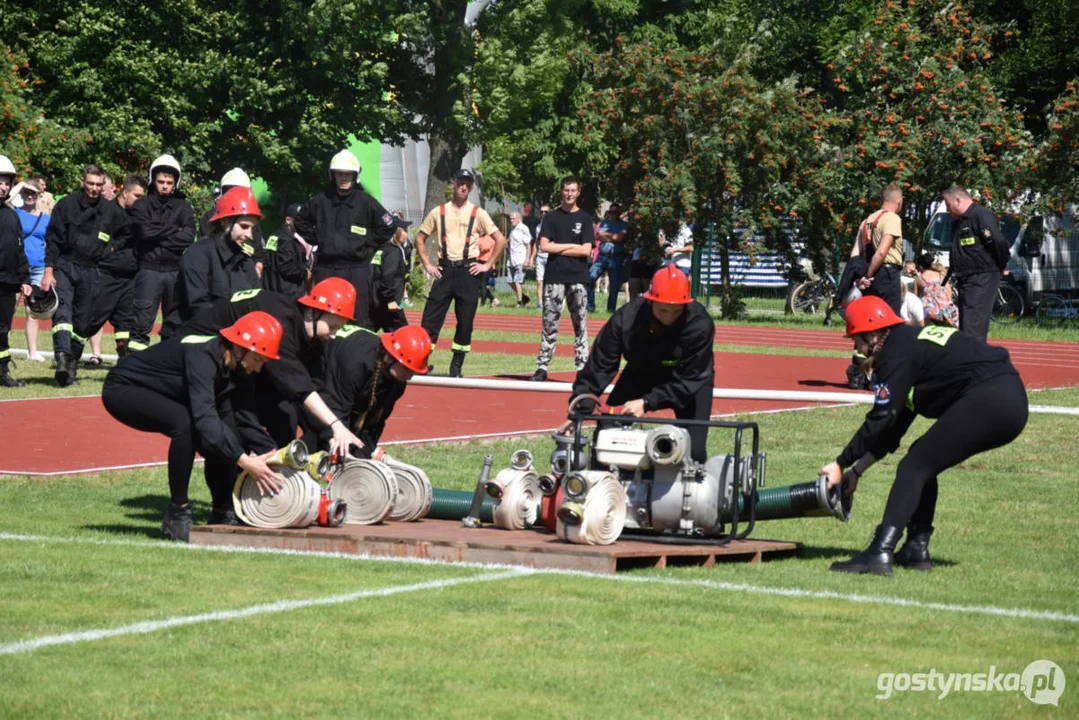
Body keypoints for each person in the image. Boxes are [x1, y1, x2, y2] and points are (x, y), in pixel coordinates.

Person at [820, 296, 1028, 575]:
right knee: (922, 460)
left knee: (914, 465)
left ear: (871, 333)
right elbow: (895, 426)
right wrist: (857, 471)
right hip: (1007, 398)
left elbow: (882, 417)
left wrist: (840, 462)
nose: (856, 348)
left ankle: (880, 552)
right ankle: (916, 549)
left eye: (855, 340)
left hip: (991, 396)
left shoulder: (895, 352)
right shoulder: (908, 344)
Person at [102, 311, 285, 541]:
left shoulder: (239, 368)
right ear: (239, 347)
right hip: (123, 388)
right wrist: (245, 461)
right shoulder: (203, 357)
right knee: (185, 424)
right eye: (257, 359)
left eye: (263, 362)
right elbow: (205, 419)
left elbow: (245, 421)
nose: (258, 368)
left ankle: (223, 511)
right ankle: (177, 514)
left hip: (167, 393)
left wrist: (276, 457)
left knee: (228, 436)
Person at [181, 278, 367, 454]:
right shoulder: (280, 326)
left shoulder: (306, 329)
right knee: (238, 426)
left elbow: (310, 385)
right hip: (202, 353)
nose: (334, 335)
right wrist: (336, 426)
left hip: (244, 361)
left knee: (285, 416)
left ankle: (278, 475)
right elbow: (299, 388)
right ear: (313, 312)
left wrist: (331, 434)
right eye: (332, 327)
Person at [561, 265, 716, 462]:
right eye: (662, 310)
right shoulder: (626, 318)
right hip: (641, 371)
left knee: (694, 452)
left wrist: (647, 402)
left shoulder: (700, 324)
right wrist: (577, 413)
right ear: (650, 300)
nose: (668, 318)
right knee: (606, 433)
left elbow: (691, 378)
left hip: (689, 380)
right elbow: (599, 366)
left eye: (676, 311)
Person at [41, 164, 132, 386]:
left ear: (104, 186)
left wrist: (110, 248)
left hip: (92, 269)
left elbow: (127, 233)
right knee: (63, 313)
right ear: (83, 182)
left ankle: (71, 363)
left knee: (83, 322)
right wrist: (48, 271)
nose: (93, 188)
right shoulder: (66, 205)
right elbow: (52, 240)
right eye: (90, 183)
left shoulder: (111, 211)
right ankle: (62, 358)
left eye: (98, 185)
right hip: (65, 264)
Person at [414, 168, 505, 377]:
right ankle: (421, 362)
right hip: (445, 271)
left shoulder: (478, 213)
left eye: (467, 183)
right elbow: (420, 238)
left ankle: (456, 367)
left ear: (471, 187)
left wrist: (487, 264)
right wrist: (428, 264)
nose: (464, 186)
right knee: (430, 320)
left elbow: (500, 239)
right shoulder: (439, 212)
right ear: (453, 184)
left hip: (468, 272)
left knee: (465, 322)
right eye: (460, 182)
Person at [293, 149, 396, 328]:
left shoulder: (366, 202)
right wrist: (318, 239)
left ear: (355, 176)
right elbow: (300, 220)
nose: (343, 178)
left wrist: (368, 244)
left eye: (348, 174)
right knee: (324, 315)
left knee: (358, 318)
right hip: (325, 268)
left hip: (356, 269)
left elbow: (388, 225)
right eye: (340, 174)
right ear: (333, 175)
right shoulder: (320, 200)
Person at [300, 324, 433, 457]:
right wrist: (341, 456)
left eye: (414, 371)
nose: (410, 376)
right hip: (310, 372)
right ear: (390, 357)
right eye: (407, 369)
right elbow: (335, 411)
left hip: (341, 383)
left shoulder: (396, 383)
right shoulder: (356, 365)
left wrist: (361, 461)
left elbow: (373, 426)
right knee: (321, 438)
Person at [129, 154, 196, 351]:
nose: (165, 186)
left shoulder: (183, 207)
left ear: (175, 182)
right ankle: (135, 367)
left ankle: (165, 369)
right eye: (161, 182)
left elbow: (189, 236)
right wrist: (174, 230)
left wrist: (157, 233)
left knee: (173, 324)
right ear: (153, 180)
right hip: (148, 271)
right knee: (141, 323)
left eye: (169, 182)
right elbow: (143, 232)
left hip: (175, 272)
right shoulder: (142, 204)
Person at [532, 176, 594, 382]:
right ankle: (542, 366)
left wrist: (561, 247)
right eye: (566, 190)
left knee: (580, 323)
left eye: (573, 190)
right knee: (550, 322)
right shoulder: (551, 217)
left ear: (578, 192)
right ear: (561, 191)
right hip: (554, 277)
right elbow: (544, 246)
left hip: (578, 278)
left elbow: (587, 250)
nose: (569, 194)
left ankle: (582, 366)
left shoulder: (585, 218)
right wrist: (573, 247)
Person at [174, 187, 262, 329]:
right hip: (198, 338)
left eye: (252, 228)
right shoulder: (198, 255)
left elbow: (257, 301)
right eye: (244, 226)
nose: (250, 235)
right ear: (225, 221)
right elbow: (198, 310)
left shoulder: (245, 260)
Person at [86, 174, 148, 362]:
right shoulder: (107, 211)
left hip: (130, 276)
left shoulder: (136, 214)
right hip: (107, 274)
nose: (140, 201)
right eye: (137, 196)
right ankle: (69, 358)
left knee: (126, 320)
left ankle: (125, 358)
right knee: (94, 318)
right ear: (125, 192)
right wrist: (111, 251)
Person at [941, 184, 1012, 340]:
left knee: (973, 327)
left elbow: (998, 243)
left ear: (958, 200)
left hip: (982, 278)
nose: (947, 209)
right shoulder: (959, 222)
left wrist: (1001, 265)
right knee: (966, 325)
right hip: (966, 279)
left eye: (948, 205)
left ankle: (975, 361)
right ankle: (971, 360)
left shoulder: (981, 216)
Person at [0, 155, 33, 387]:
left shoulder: (12, 215)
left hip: (7, 282)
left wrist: (25, 278)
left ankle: (1, 373)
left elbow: (19, 249)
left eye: (6, 183)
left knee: (3, 330)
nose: (3, 187)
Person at [10, 179, 50, 362]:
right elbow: (6, 200)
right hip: (18, 266)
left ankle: (32, 352)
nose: (29, 196)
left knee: (33, 310)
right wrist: (22, 185)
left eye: (33, 193)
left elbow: (50, 243)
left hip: (39, 266)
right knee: (9, 308)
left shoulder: (46, 218)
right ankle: (4, 345)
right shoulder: (15, 213)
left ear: (39, 196)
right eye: (27, 193)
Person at [854, 183, 905, 314]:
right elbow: (882, 251)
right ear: (899, 200)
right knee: (890, 317)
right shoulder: (892, 218)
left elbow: (855, 253)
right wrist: (868, 275)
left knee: (871, 316)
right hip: (886, 274)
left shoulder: (866, 221)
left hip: (868, 275)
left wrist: (861, 277)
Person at [257, 202, 311, 301]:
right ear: (288, 220)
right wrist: (304, 273)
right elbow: (287, 267)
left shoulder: (275, 235)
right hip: (287, 297)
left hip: (272, 292)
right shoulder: (287, 240)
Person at [197, 168, 262, 248]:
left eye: (240, 191)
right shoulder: (210, 217)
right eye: (230, 190)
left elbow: (260, 252)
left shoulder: (250, 220)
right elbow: (203, 246)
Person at [370, 216, 412, 332]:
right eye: (404, 230)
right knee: (403, 335)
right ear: (395, 232)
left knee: (366, 331)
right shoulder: (393, 252)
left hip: (375, 302)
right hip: (387, 305)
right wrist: (390, 300)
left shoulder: (380, 249)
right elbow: (387, 276)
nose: (406, 235)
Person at [587, 203, 628, 313]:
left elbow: (620, 238)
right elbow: (598, 235)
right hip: (601, 257)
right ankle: (590, 306)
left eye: (615, 212)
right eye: (610, 212)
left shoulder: (623, 225)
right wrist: (613, 236)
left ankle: (610, 309)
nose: (612, 214)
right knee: (590, 278)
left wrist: (606, 235)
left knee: (614, 287)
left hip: (615, 258)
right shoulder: (604, 223)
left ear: (619, 214)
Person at [914, 253, 959, 328]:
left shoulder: (919, 279)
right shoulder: (941, 275)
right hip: (946, 311)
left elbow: (914, 299)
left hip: (930, 312)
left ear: (920, 267)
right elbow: (949, 292)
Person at [506, 212, 533, 307]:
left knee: (518, 281)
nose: (511, 220)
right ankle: (523, 297)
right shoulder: (512, 228)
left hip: (520, 259)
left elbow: (528, 245)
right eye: (510, 218)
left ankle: (519, 302)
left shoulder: (523, 228)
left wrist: (527, 259)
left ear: (519, 219)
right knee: (510, 281)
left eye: (513, 218)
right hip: (511, 260)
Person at [527, 205, 550, 309]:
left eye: (546, 212)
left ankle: (551, 303)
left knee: (551, 283)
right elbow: (536, 243)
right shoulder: (538, 227)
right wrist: (532, 257)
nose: (543, 214)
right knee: (539, 282)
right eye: (541, 212)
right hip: (540, 257)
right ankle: (540, 303)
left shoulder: (555, 225)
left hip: (551, 257)